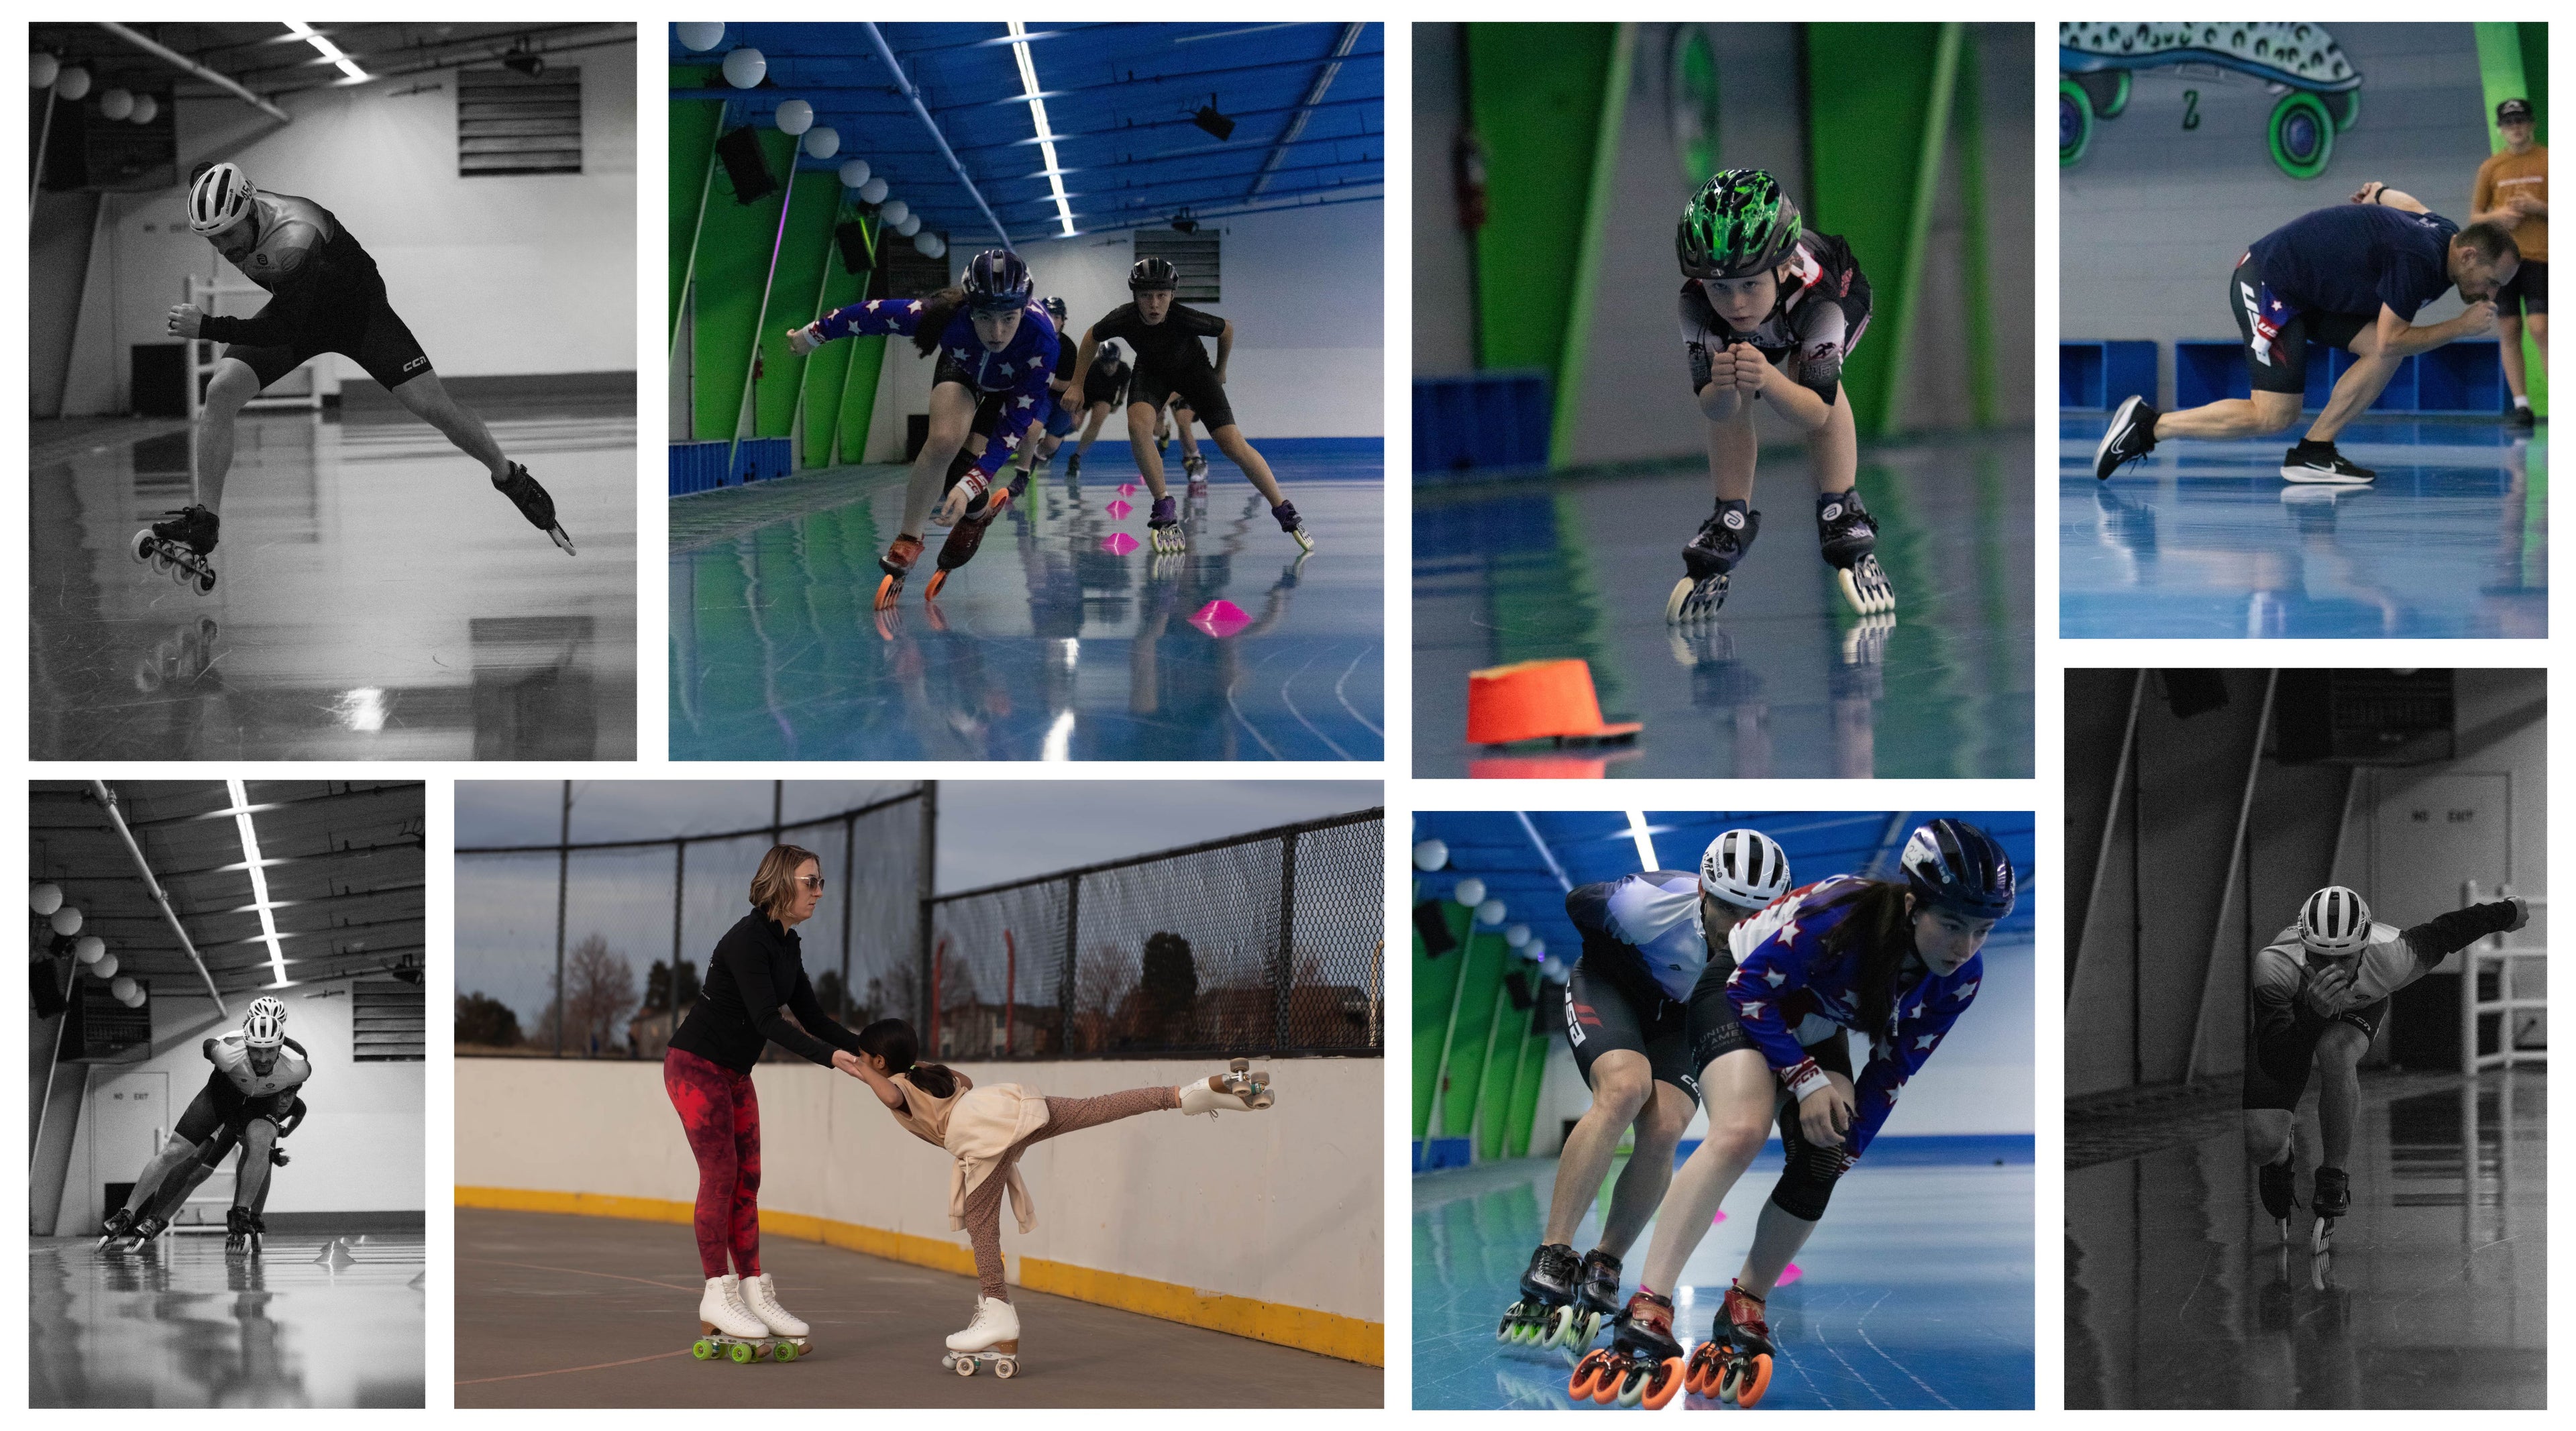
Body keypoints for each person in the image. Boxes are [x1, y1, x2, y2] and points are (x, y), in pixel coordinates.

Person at [1572, 818, 2013, 1410]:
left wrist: (1840, 1155)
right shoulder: (1842, 917)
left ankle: (1746, 1300)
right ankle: (1649, 1302)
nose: (1964, 947)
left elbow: (1893, 1068)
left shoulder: (1960, 980)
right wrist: (1805, 1080)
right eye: (1953, 925)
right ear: (1913, 906)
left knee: (1826, 1152)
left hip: (1816, 1022)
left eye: (1982, 930)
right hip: (1738, 990)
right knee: (1741, 1130)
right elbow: (1750, 992)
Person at [151, 162, 572, 592]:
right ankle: (205, 520)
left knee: (437, 410)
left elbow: (286, 330)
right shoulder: (236, 211)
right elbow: (207, 176)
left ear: (249, 211)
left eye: (228, 235)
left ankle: (510, 477)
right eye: (212, 239)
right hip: (301, 310)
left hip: (361, 321)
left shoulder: (295, 236)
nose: (223, 248)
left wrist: (209, 326)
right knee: (221, 390)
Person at [1498, 831, 1792, 1377]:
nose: (1739, 925)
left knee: (1668, 1123)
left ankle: (1606, 1259)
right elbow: (1577, 903)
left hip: (1683, 1015)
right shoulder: (1645, 904)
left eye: (1754, 913)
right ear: (1703, 892)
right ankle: (1554, 1251)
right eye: (1728, 908)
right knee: (1624, 1088)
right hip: (1611, 986)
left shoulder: (1779, 942)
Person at [843, 1018, 1274, 1376]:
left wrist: (863, 1073)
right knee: (1095, 1107)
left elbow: (891, 1094)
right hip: (1008, 1106)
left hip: (981, 1135)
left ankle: (998, 1313)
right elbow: (966, 1082)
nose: (861, 1064)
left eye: (865, 1058)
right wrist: (902, 1065)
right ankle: (1189, 1094)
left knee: (981, 1226)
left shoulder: (896, 1087)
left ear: (879, 1061)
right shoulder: (930, 1073)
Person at [2096, 187, 2522, 484]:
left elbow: (2409, 204)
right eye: (2492, 281)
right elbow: (2393, 338)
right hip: (2268, 283)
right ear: (2469, 255)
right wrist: (2461, 327)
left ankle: (2314, 452)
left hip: (2311, 295)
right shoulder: (2418, 260)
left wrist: (2379, 191)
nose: (2492, 294)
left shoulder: (2445, 233)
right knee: (2274, 415)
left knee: (2384, 351)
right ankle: (2148, 427)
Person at [663, 844, 868, 1361]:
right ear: (781, 883)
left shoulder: (787, 946)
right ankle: (717, 1291)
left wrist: (873, 1052)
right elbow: (767, 1021)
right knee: (720, 1174)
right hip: (695, 1066)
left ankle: (753, 1288)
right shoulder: (747, 941)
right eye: (810, 881)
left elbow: (814, 1018)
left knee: (748, 1179)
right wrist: (830, 1058)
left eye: (821, 881)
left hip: (735, 1074)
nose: (819, 892)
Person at [1668, 168, 1894, 625]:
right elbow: (1714, 408)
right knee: (1730, 376)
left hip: (1832, 294)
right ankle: (1729, 518)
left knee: (1803, 374)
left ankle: (1841, 507)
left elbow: (1815, 413)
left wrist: (1768, 381)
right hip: (1778, 316)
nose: (1735, 305)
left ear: (1784, 266)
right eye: (1720, 287)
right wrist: (1724, 385)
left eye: (1750, 284)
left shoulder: (1820, 303)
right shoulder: (1696, 304)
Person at [2245, 884, 2527, 1251]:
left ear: (2364, 948)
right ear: (2303, 946)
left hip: (2361, 1006)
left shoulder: (2392, 955)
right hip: (2296, 1018)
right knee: (2261, 1144)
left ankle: (2333, 1177)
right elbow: (2278, 1060)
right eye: (2320, 957)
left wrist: (2506, 912)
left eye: (2345, 959)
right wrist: (2314, 1015)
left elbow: (2449, 931)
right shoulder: (2274, 966)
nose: (2332, 969)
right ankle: (2280, 1154)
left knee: (2336, 1052)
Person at [788, 249, 1059, 604]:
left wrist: (975, 481)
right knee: (943, 441)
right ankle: (909, 538)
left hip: (1008, 391)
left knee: (963, 472)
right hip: (964, 366)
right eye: (984, 317)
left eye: (1009, 318)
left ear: (1023, 310)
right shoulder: (946, 315)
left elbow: (1016, 424)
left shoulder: (1042, 341)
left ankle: (977, 516)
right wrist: (813, 334)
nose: (997, 332)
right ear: (969, 308)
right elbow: (873, 315)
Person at [1062, 256, 1310, 554]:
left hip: (1195, 374)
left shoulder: (1183, 316)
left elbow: (1227, 329)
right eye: (1146, 296)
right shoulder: (1123, 317)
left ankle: (1283, 509)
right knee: (1138, 426)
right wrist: (1076, 384)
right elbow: (1092, 336)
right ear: (1134, 296)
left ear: (1172, 295)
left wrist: (1220, 370)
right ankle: (1163, 505)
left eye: (1162, 296)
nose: (1154, 304)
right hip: (1152, 374)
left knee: (1231, 444)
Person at [100, 997, 311, 1255]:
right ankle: (130, 1213)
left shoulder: (297, 1065)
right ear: (247, 1036)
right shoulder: (228, 1050)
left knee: (260, 1149)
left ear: (280, 1042)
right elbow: (208, 1046)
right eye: (256, 1049)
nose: (263, 1057)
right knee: (180, 1154)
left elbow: (295, 1107)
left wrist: (279, 1135)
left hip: (259, 1106)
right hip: (222, 1100)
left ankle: (246, 1214)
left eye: (270, 1050)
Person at [2470, 98, 2547, 428]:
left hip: (2542, 257)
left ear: (2531, 125)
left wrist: (2538, 207)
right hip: (2503, 263)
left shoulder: (2549, 160)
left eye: (2521, 121)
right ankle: (2521, 405)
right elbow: (2476, 216)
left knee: (2541, 327)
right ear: (2501, 129)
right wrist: (2498, 216)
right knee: (2509, 328)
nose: (2516, 127)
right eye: (2509, 122)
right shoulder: (2492, 167)